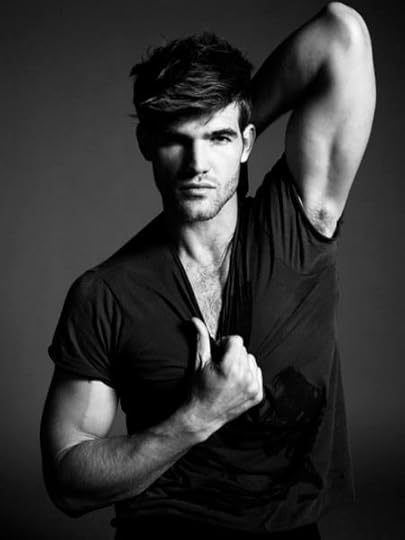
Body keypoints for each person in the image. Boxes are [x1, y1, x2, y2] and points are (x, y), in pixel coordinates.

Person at [40, 3, 376, 538]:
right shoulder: (104, 293)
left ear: (247, 143)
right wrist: (199, 416)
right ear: (147, 144)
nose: (198, 164)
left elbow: (341, 33)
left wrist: (234, 112)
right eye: (177, 138)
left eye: (218, 138)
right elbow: (67, 480)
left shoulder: (298, 226)